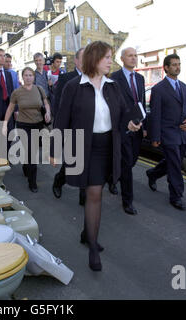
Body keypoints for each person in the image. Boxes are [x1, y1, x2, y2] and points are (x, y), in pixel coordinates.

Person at [50, 41, 141, 272]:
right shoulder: (73, 86)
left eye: (112, 57)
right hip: (82, 146)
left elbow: (122, 115)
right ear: (95, 59)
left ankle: (86, 233)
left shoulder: (113, 86)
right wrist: (54, 149)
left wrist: (130, 123)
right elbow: (62, 119)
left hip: (106, 147)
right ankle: (92, 247)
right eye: (107, 57)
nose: (112, 61)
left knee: (96, 191)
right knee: (94, 193)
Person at [146, 54, 186, 211]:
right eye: (174, 65)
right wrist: (155, 137)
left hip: (182, 133)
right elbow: (155, 115)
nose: (178, 67)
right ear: (166, 68)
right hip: (168, 133)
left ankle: (153, 173)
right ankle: (176, 196)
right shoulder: (159, 89)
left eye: (179, 64)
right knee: (175, 165)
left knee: (173, 161)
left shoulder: (184, 87)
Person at [110, 47, 148, 215]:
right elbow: (113, 106)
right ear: (122, 59)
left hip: (138, 128)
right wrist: (123, 123)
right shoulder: (115, 78)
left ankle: (112, 177)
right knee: (127, 165)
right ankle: (128, 201)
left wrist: (143, 125)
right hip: (123, 127)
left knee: (131, 161)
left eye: (135, 55)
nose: (134, 58)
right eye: (130, 56)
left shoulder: (140, 78)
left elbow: (141, 103)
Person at [2, 67, 51, 192]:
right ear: (22, 77)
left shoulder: (39, 89)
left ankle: (26, 165)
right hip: (24, 125)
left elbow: (45, 103)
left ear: (34, 77)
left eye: (30, 75)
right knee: (31, 153)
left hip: (38, 124)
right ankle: (32, 182)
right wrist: (5, 123)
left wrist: (48, 113)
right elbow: (10, 108)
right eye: (26, 75)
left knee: (30, 151)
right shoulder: (17, 92)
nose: (28, 77)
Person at [51, 48, 86, 205]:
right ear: (77, 61)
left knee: (87, 163)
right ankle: (59, 181)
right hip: (72, 129)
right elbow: (57, 106)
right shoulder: (66, 78)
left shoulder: (95, 78)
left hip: (90, 129)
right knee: (73, 162)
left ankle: (84, 196)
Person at [44, 52, 65, 117]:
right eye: (57, 62)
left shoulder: (61, 72)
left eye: (60, 62)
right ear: (53, 61)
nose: (59, 64)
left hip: (54, 96)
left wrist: (52, 85)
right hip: (44, 94)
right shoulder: (45, 68)